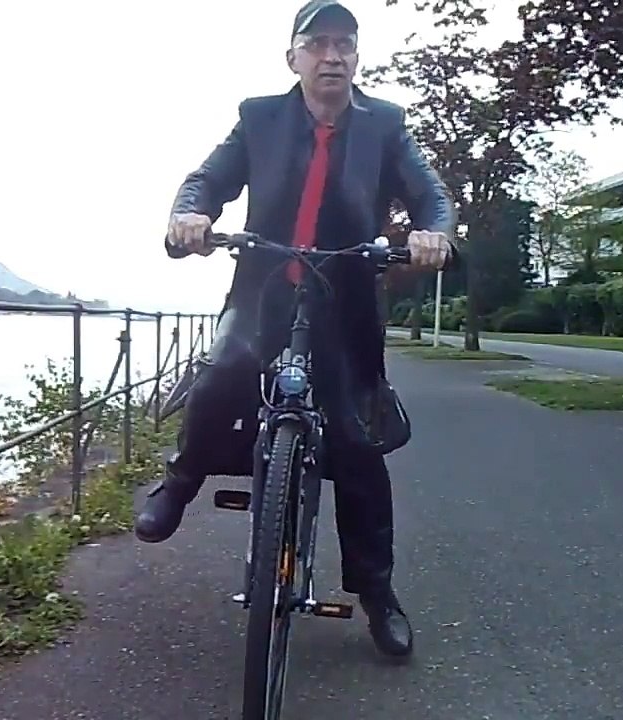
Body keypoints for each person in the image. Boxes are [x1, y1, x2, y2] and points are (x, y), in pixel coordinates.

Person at [134, 0, 457, 659]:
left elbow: (430, 193)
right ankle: (181, 480)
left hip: (345, 301)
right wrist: (190, 215)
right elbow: (208, 179)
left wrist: (435, 233)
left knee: (357, 440)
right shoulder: (258, 116)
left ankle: (376, 592)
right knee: (224, 370)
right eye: (317, 44)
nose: (331, 55)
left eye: (345, 44)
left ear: (357, 59)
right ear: (294, 58)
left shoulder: (387, 125)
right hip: (264, 289)